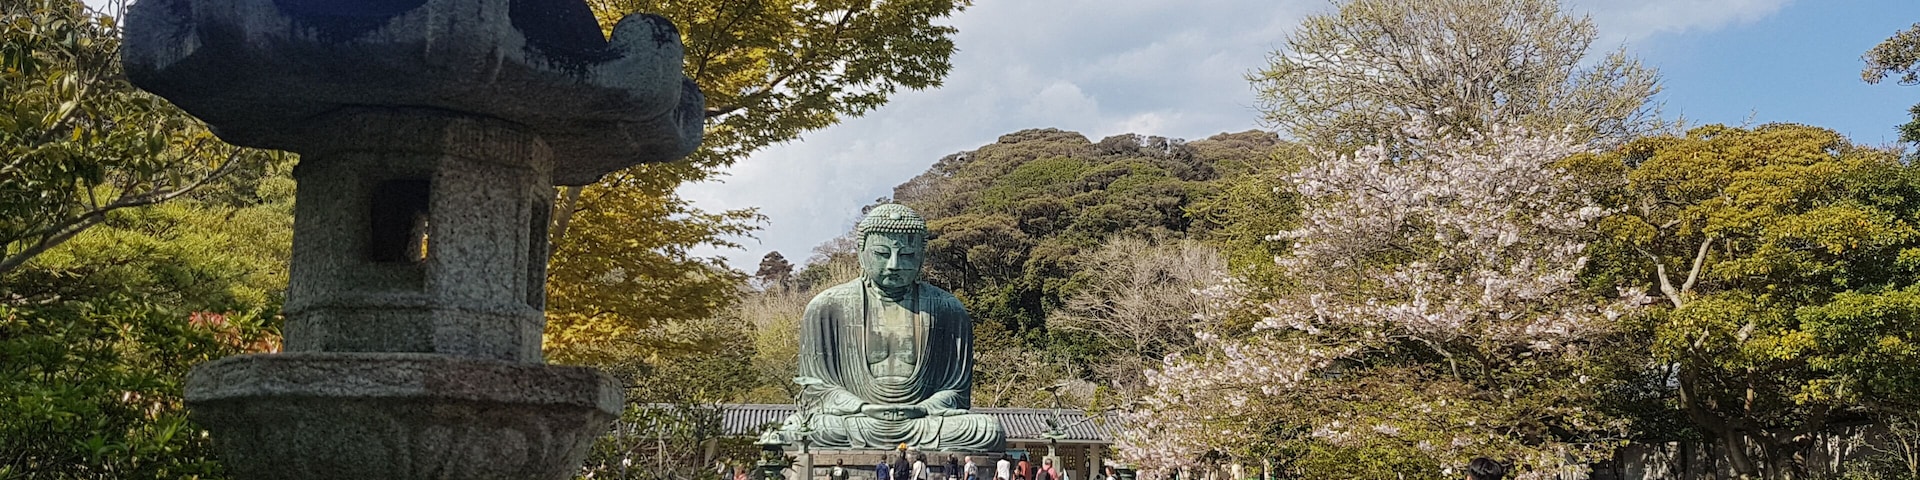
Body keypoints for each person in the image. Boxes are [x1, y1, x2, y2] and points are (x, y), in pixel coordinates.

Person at [781, 204, 1007, 451]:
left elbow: (956, 391)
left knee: (986, 430)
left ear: (922, 255)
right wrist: (862, 407)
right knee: (799, 428)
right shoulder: (827, 307)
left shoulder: (948, 309)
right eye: (881, 253)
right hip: (855, 419)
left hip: (923, 420)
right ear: (861, 252)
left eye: (907, 255)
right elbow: (815, 388)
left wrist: (922, 408)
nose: (894, 265)